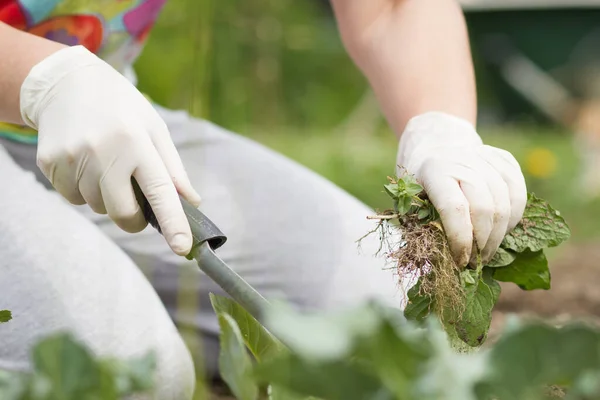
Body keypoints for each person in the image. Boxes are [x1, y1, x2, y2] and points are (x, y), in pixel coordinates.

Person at [0, 0, 527, 398]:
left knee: (388, 327)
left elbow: (390, 10)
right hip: (60, 96)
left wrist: (440, 126)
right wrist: (45, 82)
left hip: (111, 117)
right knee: (121, 376)